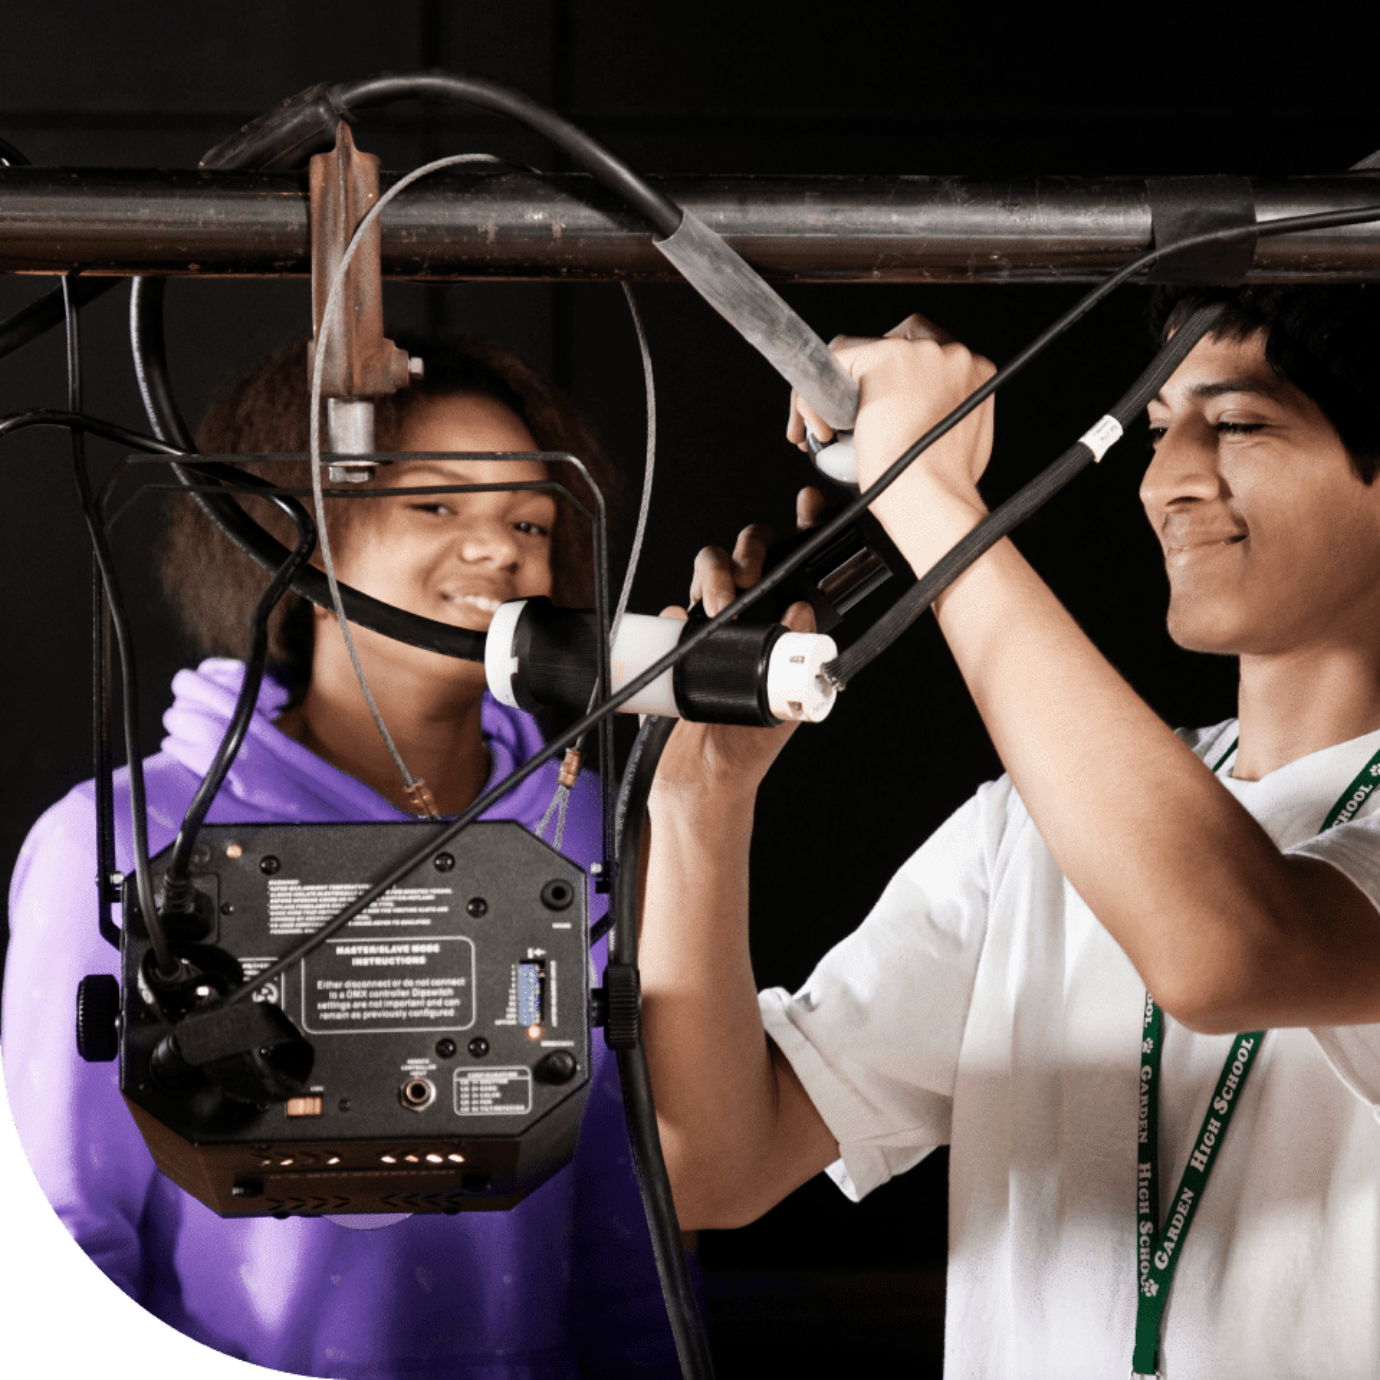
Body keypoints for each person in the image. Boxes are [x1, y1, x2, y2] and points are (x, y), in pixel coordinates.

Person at [639, 285, 1380, 1378]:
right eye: (1158, 423)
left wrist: (933, 498)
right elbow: (710, 1162)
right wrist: (702, 801)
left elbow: (1225, 949)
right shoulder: (1030, 833)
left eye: (1234, 423)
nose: (1165, 477)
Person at [3, 333, 692, 1379]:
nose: (500, 550)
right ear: (299, 536)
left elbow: (630, 1204)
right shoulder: (123, 843)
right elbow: (70, 1221)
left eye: (529, 521)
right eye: (437, 507)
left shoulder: (589, 828)